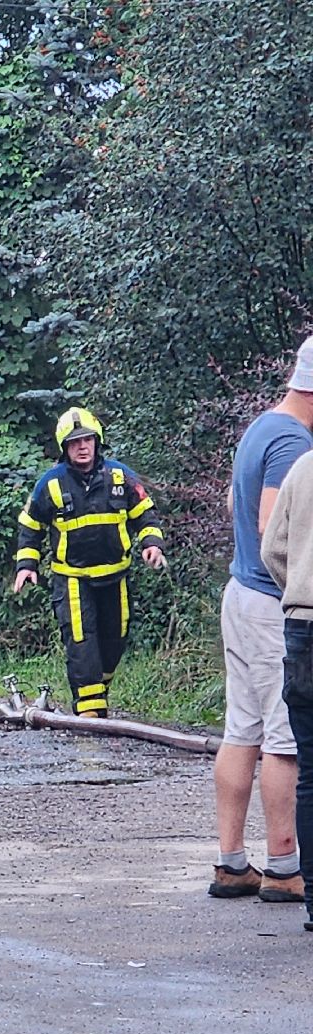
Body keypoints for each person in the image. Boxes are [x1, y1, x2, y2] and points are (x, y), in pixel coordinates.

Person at [209, 346, 313, 903]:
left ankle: (231, 863)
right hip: (272, 603)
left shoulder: (260, 429)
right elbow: (274, 527)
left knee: (242, 730)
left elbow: (233, 504)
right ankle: (283, 867)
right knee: (285, 740)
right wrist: (295, 591)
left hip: (240, 592)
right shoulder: (295, 442)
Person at [13, 407, 167, 717]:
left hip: (115, 576)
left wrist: (152, 544)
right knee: (81, 643)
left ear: (97, 442)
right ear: (64, 447)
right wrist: (27, 565)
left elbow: (145, 515)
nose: (82, 447)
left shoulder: (121, 476)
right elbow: (30, 526)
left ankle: (97, 693)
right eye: (74, 442)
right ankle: (90, 718)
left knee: (115, 639)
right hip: (72, 579)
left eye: (87, 440)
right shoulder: (51, 484)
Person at [261, 420, 313, 932]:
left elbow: (272, 549)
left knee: (311, 775)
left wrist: (298, 585)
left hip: (303, 628)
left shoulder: (302, 468)